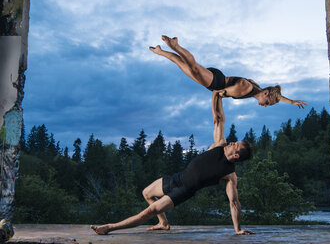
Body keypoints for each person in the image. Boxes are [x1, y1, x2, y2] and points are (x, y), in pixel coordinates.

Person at [91, 91, 254, 235]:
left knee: (149, 211)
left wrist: (238, 229)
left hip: (184, 190)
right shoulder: (219, 144)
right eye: (235, 142)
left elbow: (234, 203)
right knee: (146, 193)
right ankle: (163, 223)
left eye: (236, 145)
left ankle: (109, 228)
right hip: (176, 178)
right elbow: (218, 119)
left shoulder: (229, 174)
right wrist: (216, 94)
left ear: (237, 156)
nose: (233, 143)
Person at [149, 35, 307, 109]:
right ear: (265, 94)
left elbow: (276, 95)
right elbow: (219, 93)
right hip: (215, 82)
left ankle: (160, 51)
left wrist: (291, 102)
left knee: (182, 64)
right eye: (267, 103)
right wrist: (216, 113)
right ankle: (175, 45)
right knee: (194, 67)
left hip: (218, 76)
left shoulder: (257, 88)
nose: (265, 106)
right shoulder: (245, 88)